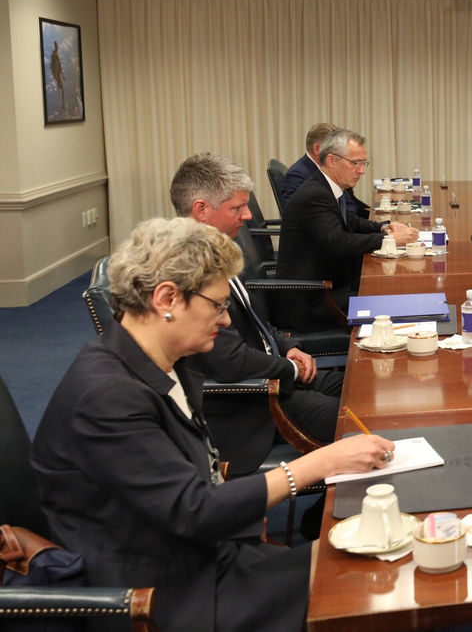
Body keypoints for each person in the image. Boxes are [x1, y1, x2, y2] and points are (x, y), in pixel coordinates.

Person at [30, 217, 393, 632]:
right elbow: (194, 510)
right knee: (365, 585)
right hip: (161, 592)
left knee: (368, 564)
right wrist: (321, 463)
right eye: (218, 306)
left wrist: (237, 504)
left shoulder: (166, 361)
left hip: (201, 553)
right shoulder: (106, 396)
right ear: (167, 298)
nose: (224, 321)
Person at [170, 153, 343, 475]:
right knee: (358, 418)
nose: (248, 216)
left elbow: (252, 317)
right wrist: (289, 367)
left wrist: (287, 346)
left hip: (271, 373)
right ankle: (326, 517)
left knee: (361, 390)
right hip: (251, 400)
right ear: (201, 210)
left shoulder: (217, 248)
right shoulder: (188, 268)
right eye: (237, 208)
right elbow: (228, 360)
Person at [275, 129, 416, 332]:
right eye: (355, 163)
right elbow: (338, 242)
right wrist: (390, 239)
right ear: (332, 160)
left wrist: (384, 227)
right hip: (314, 300)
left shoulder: (326, 186)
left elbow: (350, 221)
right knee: (397, 302)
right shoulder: (315, 194)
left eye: (363, 163)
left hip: (333, 286)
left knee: (396, 292)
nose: (361, 171)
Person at [281, 122, 368, 219]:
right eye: (333, 147)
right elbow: (294, 216)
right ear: (317, 149)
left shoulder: (336, 170)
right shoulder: (297, 175)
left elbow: (349, 201)